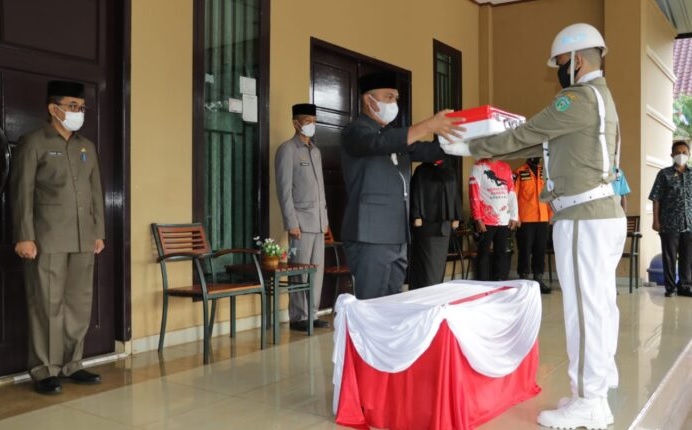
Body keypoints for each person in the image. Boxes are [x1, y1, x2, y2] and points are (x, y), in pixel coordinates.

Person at [442, 23, 625, 429]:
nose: (560, 70)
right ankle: (597, 386)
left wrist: (469, 146)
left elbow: (526, 132)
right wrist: (480, 148)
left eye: (561, 63)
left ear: (577, 61)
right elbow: (536, 144)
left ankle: (590, 401)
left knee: (585, 310)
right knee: (600, 306)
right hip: (599, 215)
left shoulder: (576, 98)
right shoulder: (600, 98)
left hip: (583, 218)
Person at [11, 81, 105, 395]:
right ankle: (44, 369)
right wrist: (24, 235)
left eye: (82, 107)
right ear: (54, 109)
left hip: (83, 238)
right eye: (72, 106)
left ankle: (72, 364)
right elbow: (20, 193)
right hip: (47, 237)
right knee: (46, 304)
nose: (78, 113)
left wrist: (99, 232)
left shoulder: (86, 147)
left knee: (79, 302)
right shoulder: (33, 142)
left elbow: (95, 194)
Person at [340, 71, 463, 299]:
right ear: (369, 100)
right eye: (388, 97)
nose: (394, 103)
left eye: (396, 98)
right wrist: (429, 125)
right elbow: (378, 144)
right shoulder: (355, 131)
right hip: (371, 235)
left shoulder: (394, 136)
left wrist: (475, 141)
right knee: (372, 305)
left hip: (398, 235)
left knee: (394, 301)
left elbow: (430, 150)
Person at [275, 103, 331, 331]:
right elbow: (284, 189)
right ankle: (299, 316)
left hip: (318, 223)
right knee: (299, 271)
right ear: (295, 123)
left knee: (316, 272)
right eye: (307, 121)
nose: (311, 125)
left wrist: (325, 220)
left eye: (313, 121)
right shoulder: (287, 150)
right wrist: (291, 223)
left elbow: (320, 189)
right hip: (300, 223)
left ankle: (312, 314)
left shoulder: (315, 151)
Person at [648, 139, 692, 298]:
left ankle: (685, 286)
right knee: (669, 257)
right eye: (678, 152)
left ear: (689, 154)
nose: (681, 155)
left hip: (689, 224)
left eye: (684, 153)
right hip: (669, 223)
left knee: (688, 257)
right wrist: (655, 220)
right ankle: (671, 288)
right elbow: (656, 198)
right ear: (672, 155)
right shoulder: (664, 174)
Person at [409, 158, 462, 289]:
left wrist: (457, 216)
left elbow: (455, 193)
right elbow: (415, 192)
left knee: (438, 267)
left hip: (444, 227)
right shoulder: (421, 171)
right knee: (427, 267)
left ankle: (435, 293)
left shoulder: (449, 170)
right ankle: (426, 294)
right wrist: (416, 215)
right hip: (426, 226)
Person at [469, 158, 518, 281]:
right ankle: (482, 284)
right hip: (485, 220)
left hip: (503, 219)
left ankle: (499, 282)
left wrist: (514, 215)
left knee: (501, 253)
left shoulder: (506, 166)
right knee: (483, 254)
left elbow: (511, 191)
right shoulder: (478, 167)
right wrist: (477, 218)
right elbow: (473, 193)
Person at [514, 157, 552, 293]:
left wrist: (550, 215)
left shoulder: (545, 173)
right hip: (525, 218)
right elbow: (513, 195)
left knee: (540, 250)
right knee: (524, 250)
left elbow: (549, 195)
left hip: (543, 218)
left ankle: (538, 279)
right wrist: (515, 216)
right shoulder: (519, 172)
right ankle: (523, 279)